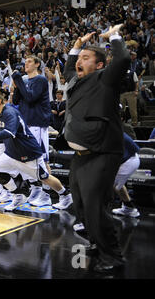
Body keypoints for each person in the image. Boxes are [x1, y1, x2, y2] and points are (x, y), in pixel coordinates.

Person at [63, 24, 130, 273]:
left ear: (100, 64)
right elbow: (69, 68)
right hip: (80, 155)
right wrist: (77, 46)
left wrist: (112, 35)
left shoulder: (106, 79)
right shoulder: (75, 81)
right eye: (80, 58)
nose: (79, 61)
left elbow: (122, 57)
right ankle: (95, 242)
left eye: (86, 58)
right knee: (80, 204)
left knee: (94, 206)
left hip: (102, 151)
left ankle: (113, 256)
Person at [0, 90, 71, 211]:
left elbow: (9, 133)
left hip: (27, 152)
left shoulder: (10, 112)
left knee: (44, 177)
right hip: (12, 154)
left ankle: (65, 195)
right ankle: (18, 195)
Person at [11, 56, 54, 207]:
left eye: (29, 61)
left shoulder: (40, 80)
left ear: (37, 64)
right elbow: (16, 101)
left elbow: (30, 98)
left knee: (42, 158)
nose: (26, 64)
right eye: (25, 62)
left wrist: (18, 79)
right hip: (25, 123)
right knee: (26, 158)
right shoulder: (24, 80)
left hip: (37, 123)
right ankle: (36, 188)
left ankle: (47, 193)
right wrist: (16, 84)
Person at [112, 133, 141, 218]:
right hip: (130, 158)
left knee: (100, 187)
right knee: (117, 185)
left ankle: (91, 222)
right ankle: (129, 208)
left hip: (127, 161)